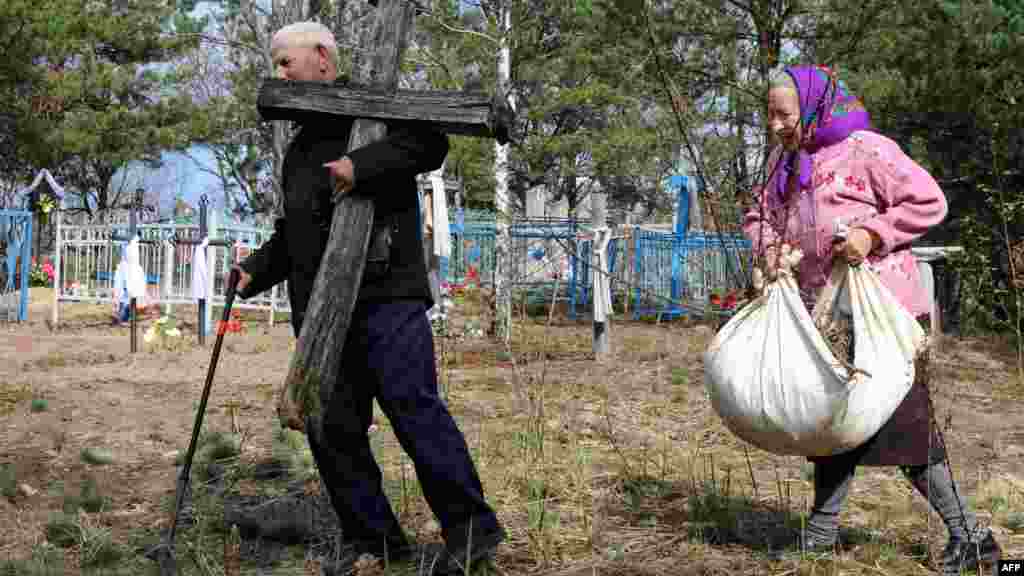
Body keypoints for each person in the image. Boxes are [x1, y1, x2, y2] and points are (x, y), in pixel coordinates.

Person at [233, 21, 505, 575]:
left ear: (323, 60)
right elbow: (296, 233)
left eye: (286, 62)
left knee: (414, 411)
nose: (278, 73)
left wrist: (362, 166)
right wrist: (252, 271)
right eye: (276, 64)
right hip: (322, 315)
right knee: (330, 426)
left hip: (386, 299)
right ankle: (376, 541)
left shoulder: (379, 109)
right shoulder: (302, 146)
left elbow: (430, 141)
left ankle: (472, 531)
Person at [744, 65, 1001, 573]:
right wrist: (769, 251)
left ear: (814, 108)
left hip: (887, 314)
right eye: (768, 114)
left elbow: (929, 200)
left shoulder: (868, 150)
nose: (773, 124)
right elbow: (759, 216)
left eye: (783, 114)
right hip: (826, 315)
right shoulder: (782, 160)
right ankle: (820, 535)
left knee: (904, 429)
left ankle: (971, 538)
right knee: (834, 423)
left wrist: (873, 234)